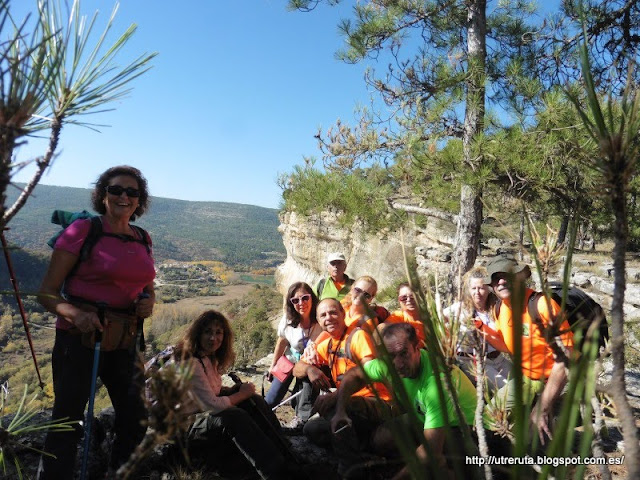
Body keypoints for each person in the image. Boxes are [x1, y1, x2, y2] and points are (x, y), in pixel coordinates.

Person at [37, 166, 155, 479]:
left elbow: (147, 286)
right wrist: (77, 315)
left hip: (125, 339)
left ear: (139, 200)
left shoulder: (143, 238)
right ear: (103, 195)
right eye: (116, 189)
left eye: (132, 192)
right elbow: (46, 293)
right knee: (67, 423)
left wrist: (149, 302)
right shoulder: (83, 231)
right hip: (79, 339)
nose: (124, 196)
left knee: (136, 417)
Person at [332, 323, 477, 480]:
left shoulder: (437, 382)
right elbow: (355, 374)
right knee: (380, 440)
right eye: (391, 356)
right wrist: (340, 411)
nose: (398, 363)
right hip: (423, 418)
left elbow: (430, 452)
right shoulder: (388, 364)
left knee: (435, 464)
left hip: (463, 428)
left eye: (404, 354)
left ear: (417, 348)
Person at [174, 310, 294, 480]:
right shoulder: (191, 362)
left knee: (253, 400)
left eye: (218, 332)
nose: (213, 338)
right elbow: (212, 406)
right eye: (207, 332)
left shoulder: (208, 357)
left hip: (199, 416)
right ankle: (275, 473)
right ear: (198, 333)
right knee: (233, 416)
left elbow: (208, 391)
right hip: (183, 427)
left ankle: (283, 448)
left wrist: (233, 391)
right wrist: (241, 394)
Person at [478, 255, 574, 443]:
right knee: (489, 418)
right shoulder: (499, 309)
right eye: (496, 279)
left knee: (540, 438)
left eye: (507, 276)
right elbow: (508, 345)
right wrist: (481, 328)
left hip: (560, 379)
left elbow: (565, 359)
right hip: (528, 378)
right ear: (492, 285)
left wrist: (542, 409)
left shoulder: (541, 305)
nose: (502, 282)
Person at [293, 298, 394, 473]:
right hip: (350, 407)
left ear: (343, 314)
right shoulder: (328, 345)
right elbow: (297, 369)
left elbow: (368, 371)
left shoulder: (358, 336)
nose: (329, 318)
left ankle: (351, 467)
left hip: (377, 402)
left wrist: (336, 396)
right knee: (312, 429)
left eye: (333, 312)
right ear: (319, 321)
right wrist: (310, 369)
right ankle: (364, 451)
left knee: (335, 406)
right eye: (323, 315)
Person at [442, 267, 512, 394]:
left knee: (525, 384)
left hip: (498, 358)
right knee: (507, 390)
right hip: (473, 362)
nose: (477, 292)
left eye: (481, 288)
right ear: (468, 290)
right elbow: (438, 318)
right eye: (473, 288)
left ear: (488, 289)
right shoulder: (460, 309)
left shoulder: (496, 308)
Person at [265, 282, 323, 428]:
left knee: (304, 395)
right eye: (295, 300)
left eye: (305, 298)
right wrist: (273, 366)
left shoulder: (320, 318)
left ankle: (300, 421)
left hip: (309, 364)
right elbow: (282, 342)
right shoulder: (288, 319)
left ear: (312, 297)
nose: (301, 303)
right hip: (289, 360)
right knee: (270, 400)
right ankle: (265, 422)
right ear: (291, 303)